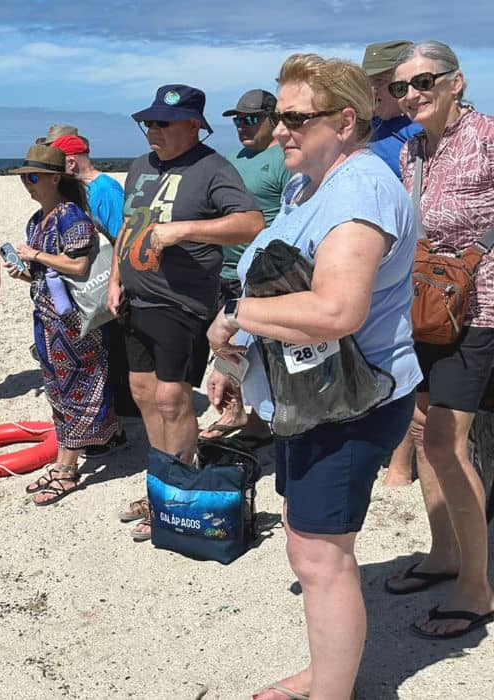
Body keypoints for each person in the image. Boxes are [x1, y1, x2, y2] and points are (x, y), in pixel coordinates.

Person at [205, 53, 419, 700]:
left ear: (346, 120)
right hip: (310, 397)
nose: (278, 131)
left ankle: (333, 691)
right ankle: (328, 674)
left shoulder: (362, 191)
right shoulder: (310, 186)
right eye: (278, 116)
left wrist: (233, 315)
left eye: (296, 118)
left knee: (323, 558)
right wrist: (235, 355)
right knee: (305, 541)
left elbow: (334, 309)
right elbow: (282, 283)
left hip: (353, 403)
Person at [108, 84, 264, 541]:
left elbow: (251, 222)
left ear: (194, 125)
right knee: (141, 391)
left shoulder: (212, 167)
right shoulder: (140, 167)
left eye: (163, 123)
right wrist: (117, 279)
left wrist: (185, 230)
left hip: (182, 302)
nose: (152, 131)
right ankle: (160, 486)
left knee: (172, 399)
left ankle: (178, 489)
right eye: (149, 123)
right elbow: (127, 226)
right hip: (137, 298)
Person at [382, 40, 494, 640]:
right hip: (425, 309)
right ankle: (444, 551)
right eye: (401, 87)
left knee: (450, 442)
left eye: (423, 82)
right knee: (425, 433)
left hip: (480, 311)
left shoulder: (489, 138)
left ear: (456, 81)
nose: (412, 95)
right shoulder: (413, 149)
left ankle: (476, 588)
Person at [3, 144, 120, 504]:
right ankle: (72, 458)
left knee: (76, 389)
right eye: (25, 177)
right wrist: (25, 272)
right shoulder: (37, 220)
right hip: (48, 319)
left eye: (34, 177)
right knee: (57, 389)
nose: (28, 184)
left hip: (73, 324)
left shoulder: (71, 216)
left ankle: (67, 470)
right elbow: (48, 274)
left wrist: (34, 254)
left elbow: (80, 267)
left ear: (56, 178)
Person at [199, 89, 292, 442]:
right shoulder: (232, 157)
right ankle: (234, 410)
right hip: (223, 268)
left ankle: (259, 420)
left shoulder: (283, 158)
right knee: (227, 344)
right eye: (238, 120)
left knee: (258, 348)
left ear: (274, 119)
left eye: (251, 119)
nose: (243, 126)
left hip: (262, 272)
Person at [363, 40, 424, 487]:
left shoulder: (413, 129)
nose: (377, 93)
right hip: (373, 255)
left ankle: (402, 463)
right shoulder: (371, 128)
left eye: (383, 85)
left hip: (413, 254)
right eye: (371, 84)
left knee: (407, 350)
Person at [51, 131, 139, 423]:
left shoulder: (104, 190)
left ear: (72, 163)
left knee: (119, 349)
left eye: (58, 164)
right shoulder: (86, 191)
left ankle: (127, 411)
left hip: (115, 283)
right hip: (101, 284)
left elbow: (123, 240)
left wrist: (119, 285)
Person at [363, 40, 423, 177]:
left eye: (379, 81)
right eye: (367, 83)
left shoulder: (424, 131)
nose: (372, 90)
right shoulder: (360, 125)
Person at [51, 134, 125, 239]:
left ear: (71, 163)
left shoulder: (106, 189)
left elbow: (122, 236)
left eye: (56, 165)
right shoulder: (76, 188)